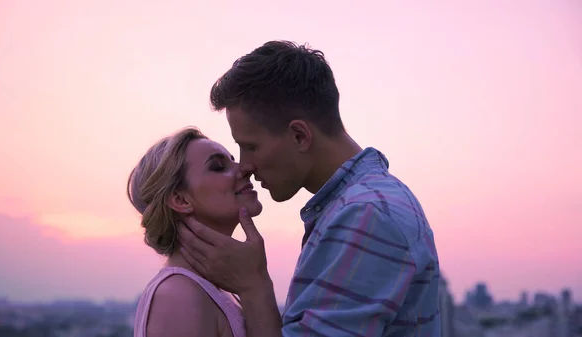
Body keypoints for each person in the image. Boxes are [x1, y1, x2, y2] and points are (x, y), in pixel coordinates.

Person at [178, 40, 442, 337]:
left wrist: (253, 285)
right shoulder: (362, 205)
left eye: (250, 147)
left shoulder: (365, 215)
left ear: (299, 136)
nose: (244, 166)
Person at [127, 127, 262, 337]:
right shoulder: (179, 296)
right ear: (181, 200)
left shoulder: (216, 289)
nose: (245, 168)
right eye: (218, 167)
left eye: (233, 160)